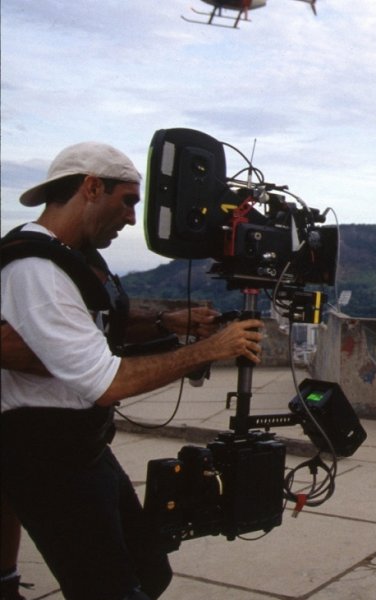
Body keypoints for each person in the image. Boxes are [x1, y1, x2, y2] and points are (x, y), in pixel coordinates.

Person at [0, 141, 265, 600]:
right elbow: (107, 382)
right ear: (91, 187)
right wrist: (208, 350)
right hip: (45, 457)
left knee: (150, 571)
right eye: (127, 202)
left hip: (82, 446)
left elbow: (98, 326)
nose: (130, 218)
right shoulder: (37, 269)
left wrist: (165, 323)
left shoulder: (72, 256)